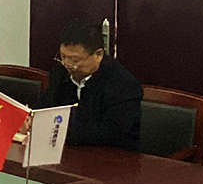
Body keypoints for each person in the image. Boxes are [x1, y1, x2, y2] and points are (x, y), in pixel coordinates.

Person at [39, 20, 143, 149]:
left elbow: (110, 132)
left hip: (110, 154)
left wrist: (57, 128)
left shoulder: (122, 84)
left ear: (98, 55)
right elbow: (45, 108)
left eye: (74, 60)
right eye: (63, 57)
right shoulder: (60, 72)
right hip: (67, 149)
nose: (67, 64)